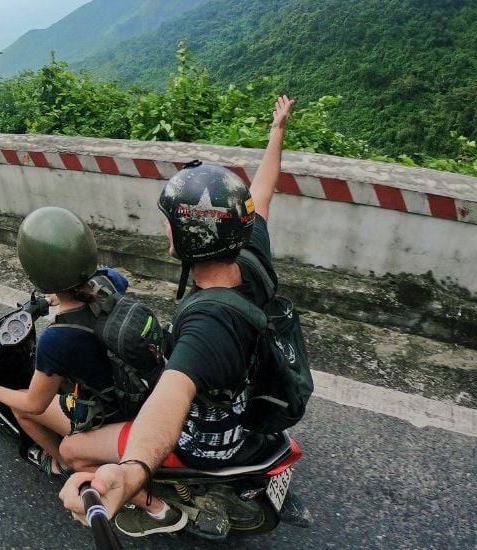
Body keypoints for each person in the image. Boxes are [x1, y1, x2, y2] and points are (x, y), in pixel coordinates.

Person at [57, 95, 297, 537]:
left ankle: (152, 508)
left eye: (170, 221)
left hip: (207, 442)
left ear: (192, 235)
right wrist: (277, 130)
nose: (164, 226)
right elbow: (262, 189)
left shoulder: (208, 326)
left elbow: (169, 400)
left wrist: (129, 473)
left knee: (72, 449)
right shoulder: (251, 251)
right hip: (244, 397)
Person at [0, 206, 134, 479]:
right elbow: (104, 282)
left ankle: (61, 462)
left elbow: (35, 404)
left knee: (20, 408)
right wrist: (56, 298)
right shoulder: (110, 280)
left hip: (109, 411)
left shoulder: (57, 339)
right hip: (128, 383)